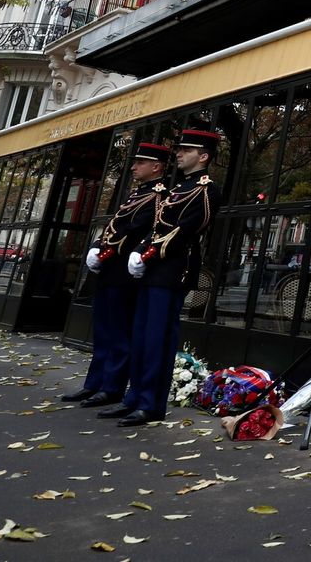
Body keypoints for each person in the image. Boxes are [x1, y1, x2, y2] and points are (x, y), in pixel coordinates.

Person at [102, 128, 221, 427]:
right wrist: (140, 251)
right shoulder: (180, 187)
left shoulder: (206, 189)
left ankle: (150, 403)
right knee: (141, 336)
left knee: (157, 339)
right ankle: (134, 397)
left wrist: (149, 253)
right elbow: (157, 226)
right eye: (180, 149)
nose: (178, 154)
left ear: (203, 156)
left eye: (187, 150)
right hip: (153, 270)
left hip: (173, 270)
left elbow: (186, 230)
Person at [61, 143, 171, 408]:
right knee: (104, 330)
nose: (134, 167)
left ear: (156, 167)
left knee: (120, 333)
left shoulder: (160, 195)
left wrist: (112, 250)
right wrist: (98, 247)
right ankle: (94, 383)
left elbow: (140, 230)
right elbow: (115, 224)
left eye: (140, 163)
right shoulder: (137, 194)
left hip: (126, 273)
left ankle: (112, 387)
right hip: (111, 270)